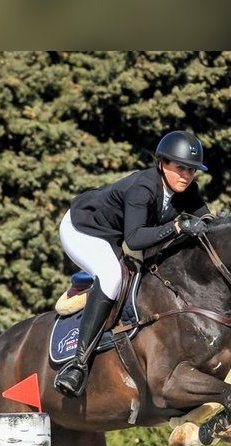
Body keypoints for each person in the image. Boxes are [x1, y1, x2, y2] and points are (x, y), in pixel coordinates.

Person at [54, 130, 213, 397]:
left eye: (192, 170)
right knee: (111, 275)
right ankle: (78, 365)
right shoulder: (143, 188)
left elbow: (209, 221)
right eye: (180, 168)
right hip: (82, 228)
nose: (186, 175)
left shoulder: (187, 190)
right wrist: (176, 228)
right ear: (162, 163)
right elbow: (136, 239)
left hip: (113, 236)